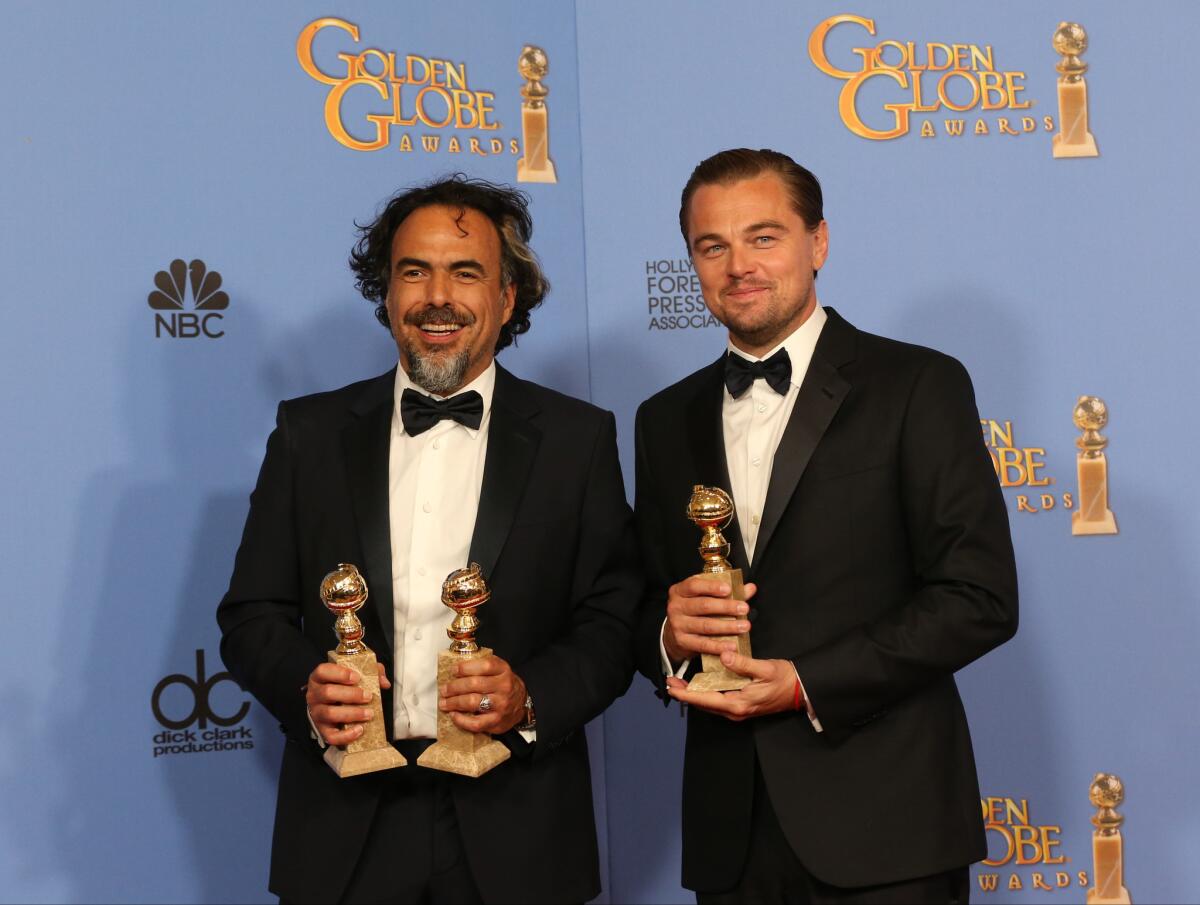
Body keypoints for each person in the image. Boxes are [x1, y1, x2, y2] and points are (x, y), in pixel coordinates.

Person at [218, 175, 640, 904]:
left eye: (465, 271)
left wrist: (529, 695)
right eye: (414, 271)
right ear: (386, 293)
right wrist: (307, 692)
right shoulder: (307, 435)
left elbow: (613, 617)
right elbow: (251, 613)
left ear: (508, 298)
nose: (436, 296)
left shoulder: (578, 439)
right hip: (343, 832)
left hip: (521, 829)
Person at [633, 148, 1018, 904]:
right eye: (712, 245)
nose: (738, 263)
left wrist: (807, 681)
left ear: (819, 243)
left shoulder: (919, 384)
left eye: (764, 236)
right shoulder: (662, 419)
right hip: (730, 837)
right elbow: (641, 599)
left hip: (887, 825)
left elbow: (979, 597)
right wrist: (670, 639)